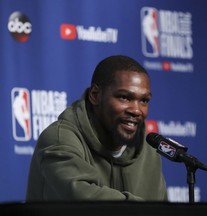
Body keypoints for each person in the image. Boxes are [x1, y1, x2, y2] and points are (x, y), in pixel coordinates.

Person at [26, 55, 168, 201]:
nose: (137, 110)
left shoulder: (149, 151)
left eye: (144, 100)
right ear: (95, 95)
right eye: (125, 97)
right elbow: (83, 202)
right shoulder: (58, 139)